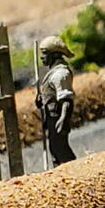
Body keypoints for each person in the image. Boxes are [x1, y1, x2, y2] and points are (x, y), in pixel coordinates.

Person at [36, 35, 77, 167]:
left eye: (44, 53)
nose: (41, 57)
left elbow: (67, 100)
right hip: (51, 118)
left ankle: (74, 171)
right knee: (54, 149)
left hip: (57, 117)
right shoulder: (54, 73)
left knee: (60, 149)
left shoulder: (60, 74)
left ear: (54, 55)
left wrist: (64, 119)